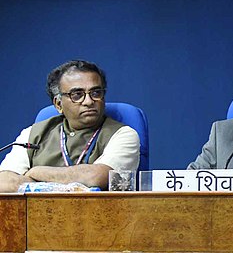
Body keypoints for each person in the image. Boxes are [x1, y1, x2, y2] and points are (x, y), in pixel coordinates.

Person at [0, 60, 140, 192]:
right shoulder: (32, 134)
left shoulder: (123, 134)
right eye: (77, 94)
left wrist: (37, 172)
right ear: (58, 104)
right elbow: (4, 182)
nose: (88, 101)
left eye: (96, 93)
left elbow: (98, 177)